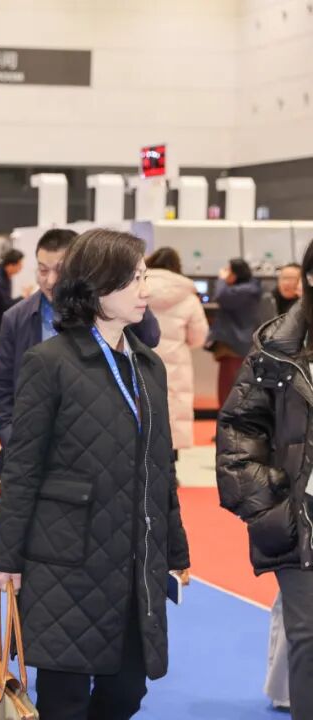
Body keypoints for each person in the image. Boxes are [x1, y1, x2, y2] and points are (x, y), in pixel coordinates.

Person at [0, 229, 190, 720]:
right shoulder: (49, 363)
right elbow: (23, 467)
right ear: (98, 285)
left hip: (135, 559)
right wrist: (5, 557)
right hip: (64, 558)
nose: (145, 290)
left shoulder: (149, 367)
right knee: (64, 702)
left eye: (144, 277)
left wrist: (176, 550)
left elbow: (161, 467)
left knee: (127, 694)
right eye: (134, 279)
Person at [216, 240, 313, 720]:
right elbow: (239, 427)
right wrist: (268, 502)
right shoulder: (277, 345)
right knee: (308, 639)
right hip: (300, 518)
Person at [0, 229, 161, 475]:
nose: (50, 281)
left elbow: (151, 337)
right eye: (42, 270)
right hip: (31, 451)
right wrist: (13, 440)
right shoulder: (16, 318)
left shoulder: (103, 314)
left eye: (59, 270)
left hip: (93, 451)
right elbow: (3, 385)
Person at [145, 247, 209, 456]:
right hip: (175, 361)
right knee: (173, 409)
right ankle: (171, 464)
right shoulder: (188, 297)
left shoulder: (137, 289)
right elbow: (199, 336)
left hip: (141, 358)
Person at [207, 258, 264, 406]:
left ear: (236, 273)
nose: (226, 273)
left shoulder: (245, 290)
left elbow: (221, 296)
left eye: (228, 271)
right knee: (229, 387)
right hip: (237, 345)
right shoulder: (249, 288)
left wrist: (221, 280)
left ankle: (228, 418)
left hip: (236, 345)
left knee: (229, 389)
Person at [0, 248, 24, 341]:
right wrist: (23, 297)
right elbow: (5, 304)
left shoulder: (5, 275)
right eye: (19, 265)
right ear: (11, 265)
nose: (21, 268)